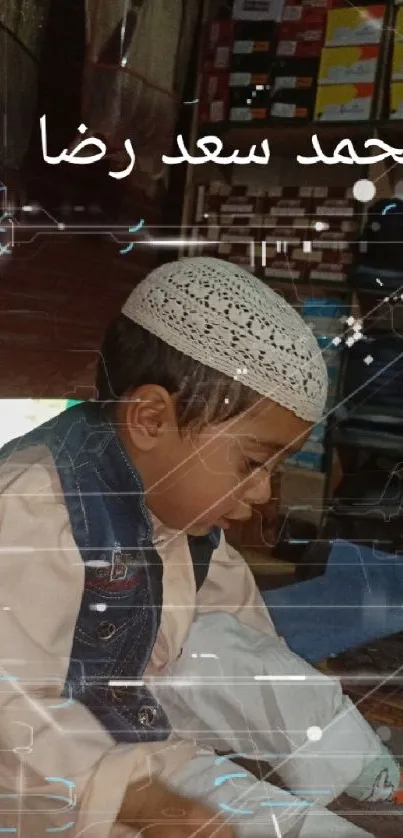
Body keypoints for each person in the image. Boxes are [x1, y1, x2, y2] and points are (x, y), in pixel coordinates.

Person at [0, 256, 401, 838]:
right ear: (151, 419)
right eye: (252, 462)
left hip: (139, 752)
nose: (264, 490)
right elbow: (11, 713)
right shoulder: (28, 517)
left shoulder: (179, 522)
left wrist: (328, 742)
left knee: (215, 639)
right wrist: (140, 800)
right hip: (36, 788)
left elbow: (246, 654)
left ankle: (365, 769)